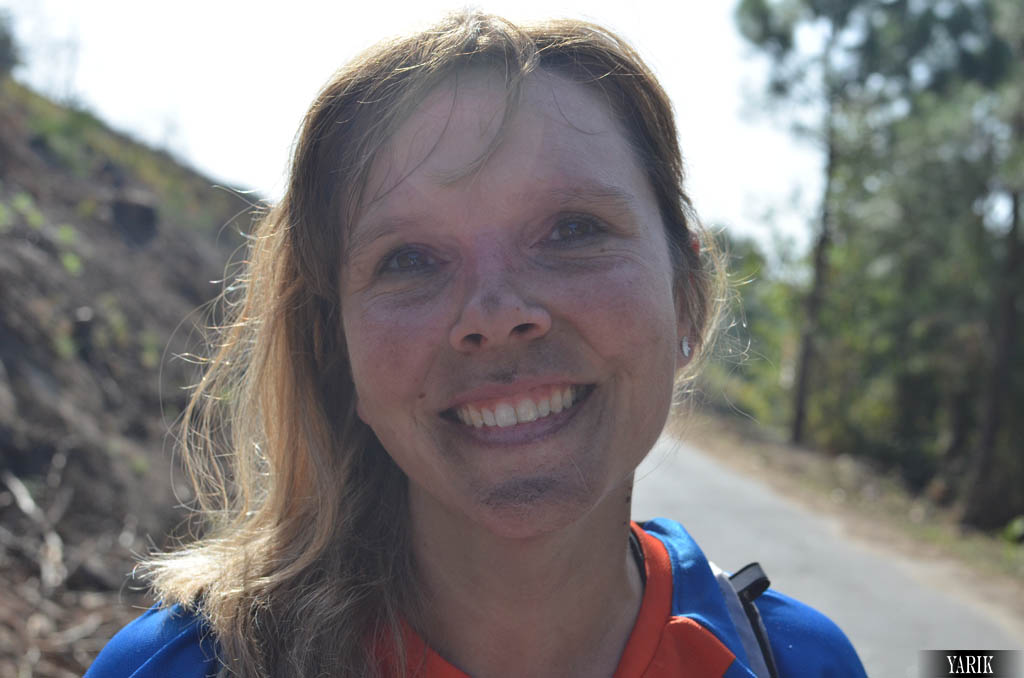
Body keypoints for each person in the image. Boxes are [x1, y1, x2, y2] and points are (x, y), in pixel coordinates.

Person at [86, 11, 866, 678]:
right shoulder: (181, 668)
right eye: (410, 260)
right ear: (337, 352)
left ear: (685, 295)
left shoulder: (798, 663)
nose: (494, 315)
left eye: (573, 229)